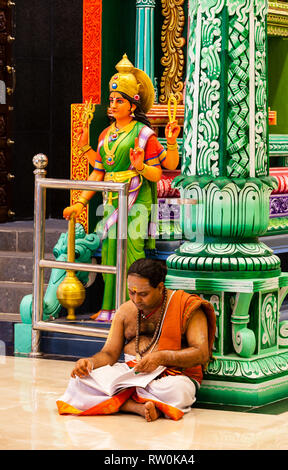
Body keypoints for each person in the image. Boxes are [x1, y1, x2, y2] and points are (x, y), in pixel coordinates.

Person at [63, 54, 180, 322]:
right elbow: (100, 170)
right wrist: (81, 201)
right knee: (108, 253)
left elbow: (162, 169)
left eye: (119, 100)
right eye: (112, 99)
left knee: (132, 253)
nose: (113, 105)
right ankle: (109, 309)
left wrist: (141, 165)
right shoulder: (106, 134)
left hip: (137, 199)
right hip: (112, 200)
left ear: (132, 104)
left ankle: (132, 310)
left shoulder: (143, 134)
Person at [56, 259, 216, 422]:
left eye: (143, 294)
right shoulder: (126, 311)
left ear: (160, 287)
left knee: (178, 391)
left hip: (172, 375)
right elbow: (109, 354)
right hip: (130, 373)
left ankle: (124, 401)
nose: (136, 299)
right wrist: (89, 363)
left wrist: (161, 358)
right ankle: (137, 406)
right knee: (80, 381)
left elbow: (201, 353)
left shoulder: (186, 307)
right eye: (131, 292)